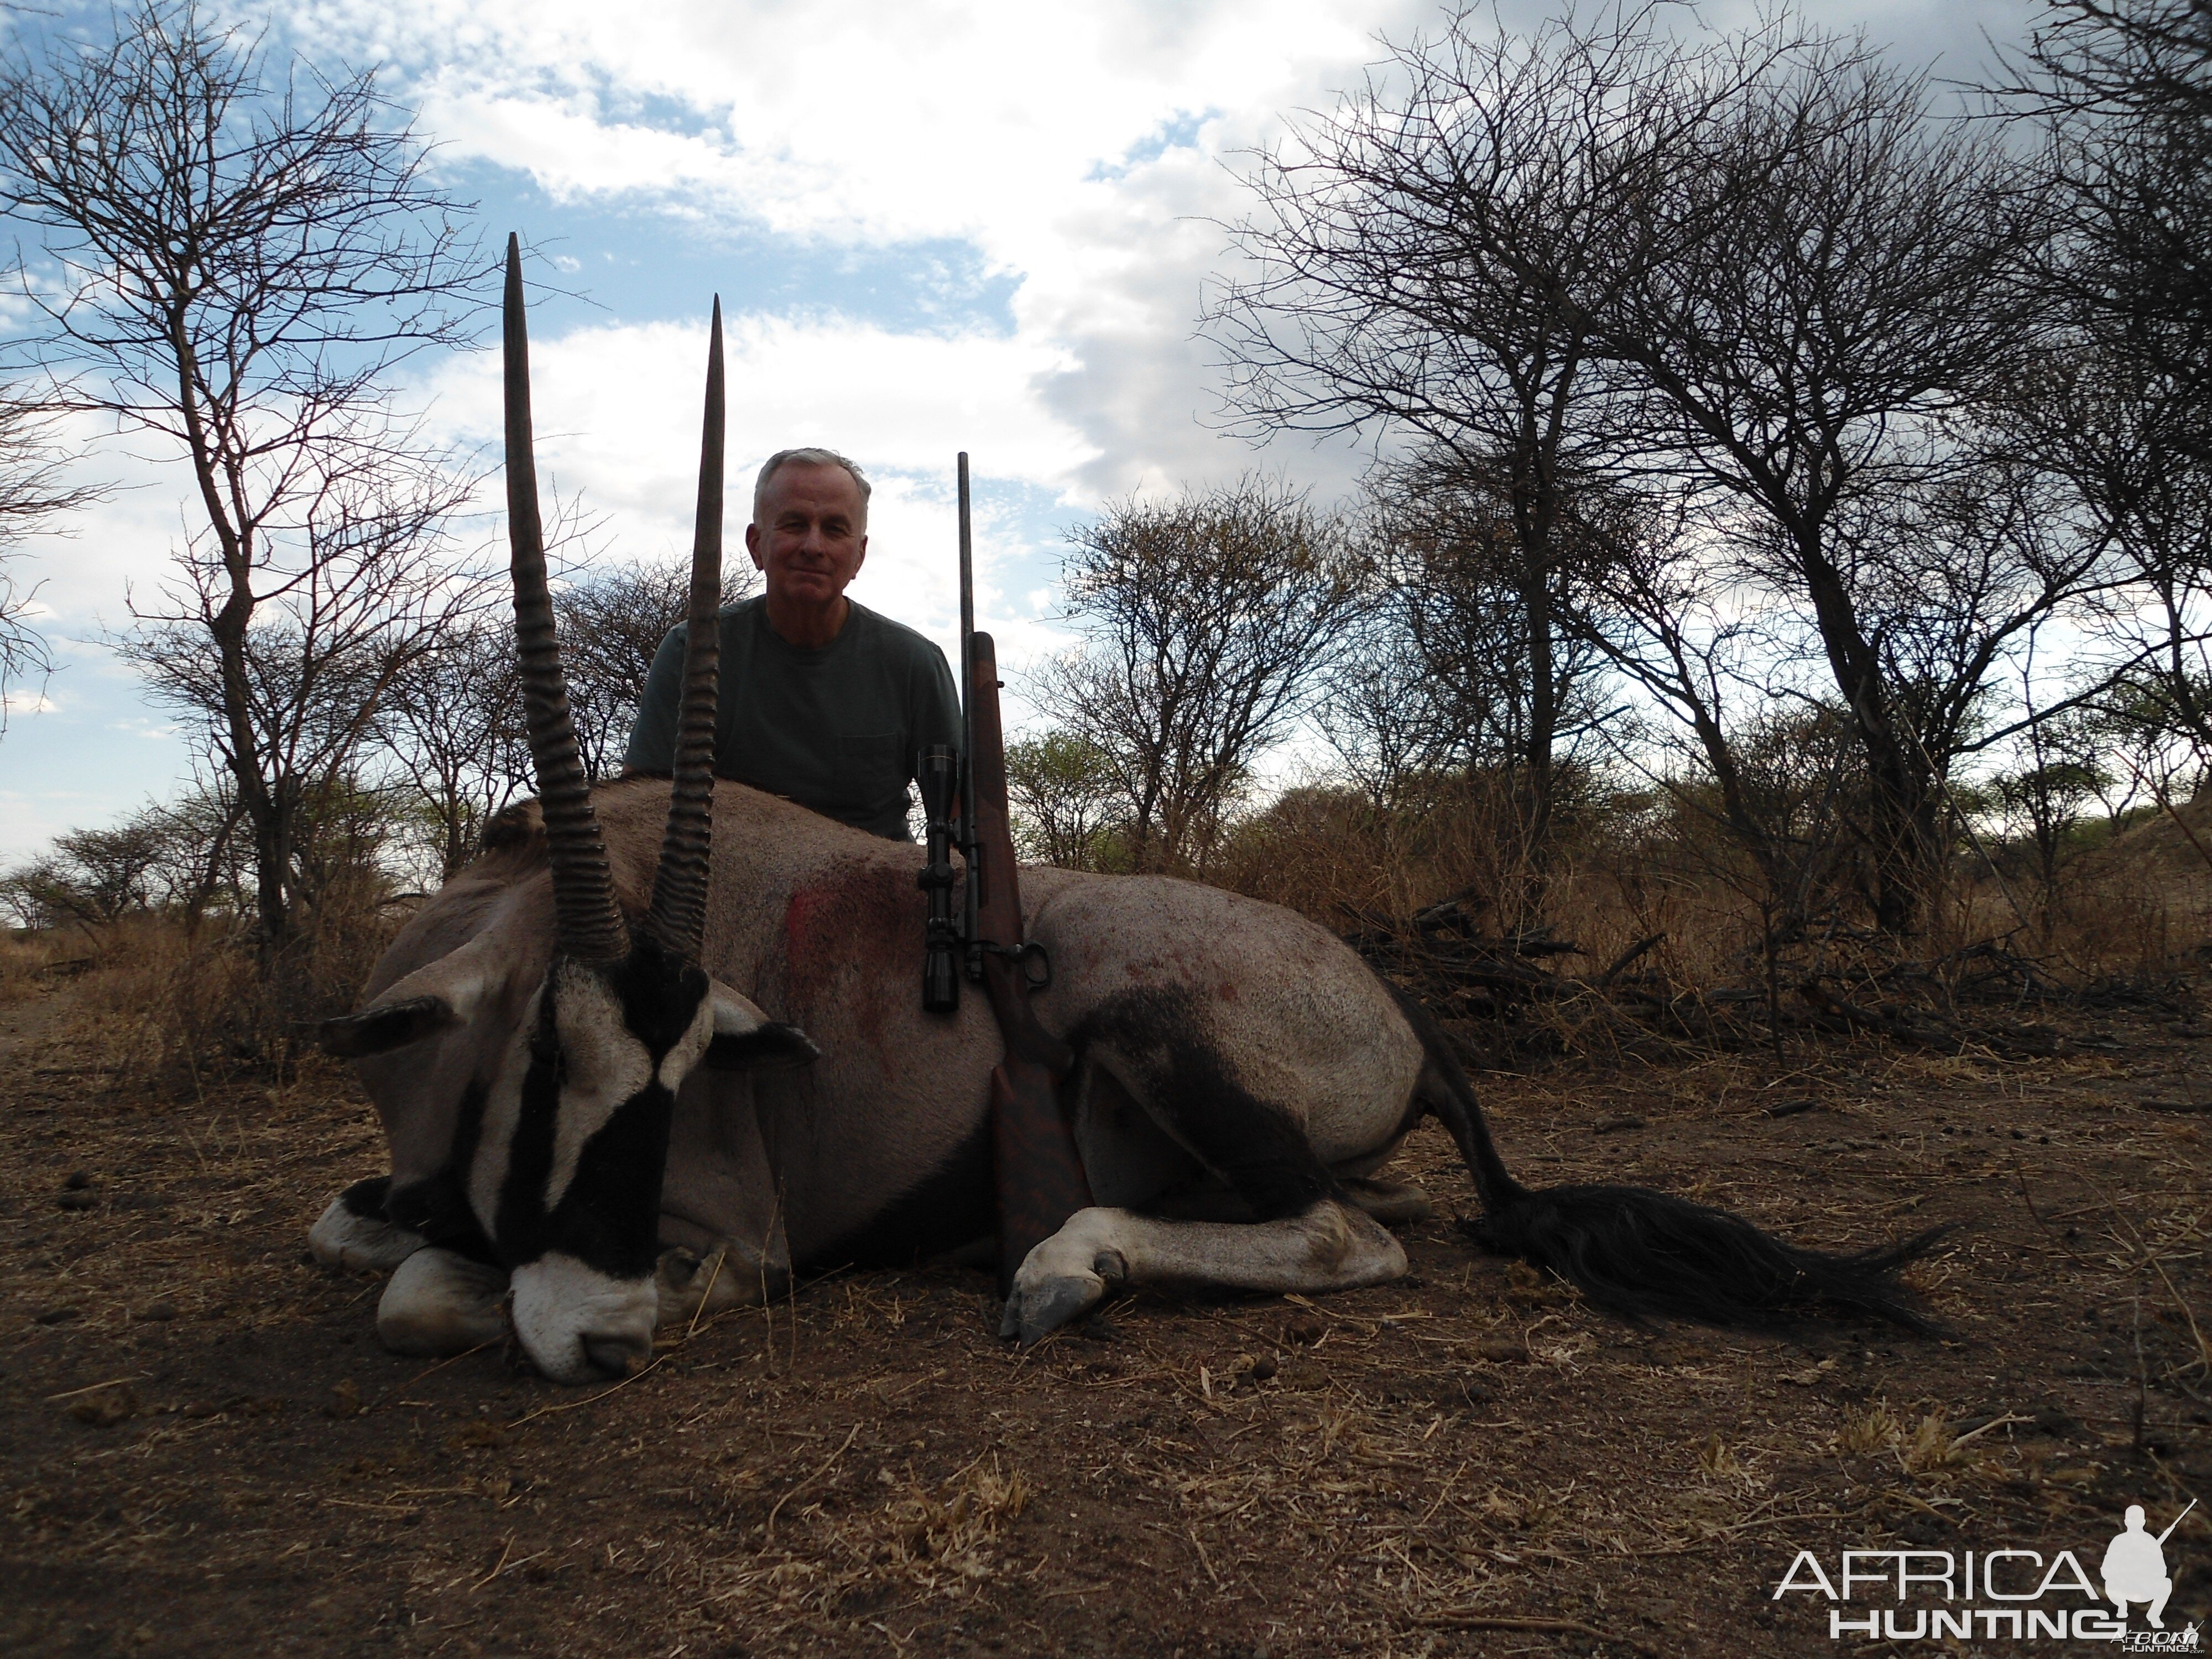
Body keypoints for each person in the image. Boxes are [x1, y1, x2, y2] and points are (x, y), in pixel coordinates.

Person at [624, 446, 961, 841]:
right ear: (756, 545)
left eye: (835, 529)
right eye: (794, 525)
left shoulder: (915, 662)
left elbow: (963, 817)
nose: (813, 547)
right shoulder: (690, 650)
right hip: (728, 885)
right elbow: (639, 810)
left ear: (859, 555)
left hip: (882, 888)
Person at [2101, 1504, 2174, 1627]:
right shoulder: (2119, 1541)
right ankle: (2122, 1606)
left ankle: (2154, 1615)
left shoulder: (2150, 1542)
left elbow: (2162, 1570)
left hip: (2144, 1588)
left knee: (2166, 1584)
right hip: (2123, 1587)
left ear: (2143, 1522)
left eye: (2138, 1519)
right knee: (2109, 1583)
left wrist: (2147, 1568)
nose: (2134, 1522)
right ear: (2126, 1522)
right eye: (2131, 1519)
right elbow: (2106, 1569)